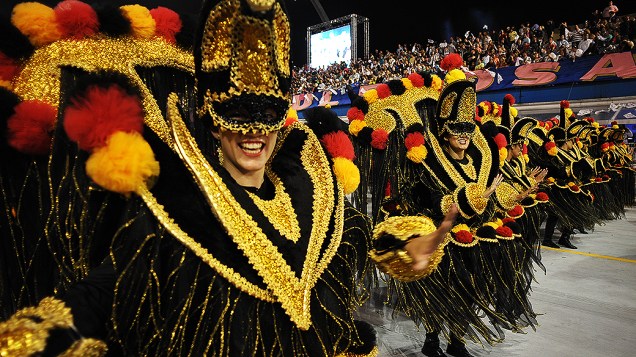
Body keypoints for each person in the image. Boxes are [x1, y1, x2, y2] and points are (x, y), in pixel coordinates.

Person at [0, 1, 459, 356]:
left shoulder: (312, 189)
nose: (253, 132)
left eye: (266, 117)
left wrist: (406, 246)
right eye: (237, 116)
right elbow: (112, 285)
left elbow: (356, 242)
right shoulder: (176, 207)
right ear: (213, 122)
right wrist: (40, 332)